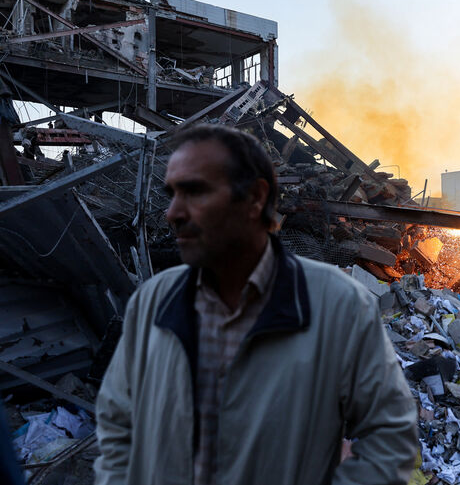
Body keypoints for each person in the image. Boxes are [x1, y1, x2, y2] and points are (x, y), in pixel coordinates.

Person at [94, 124, 417, 485]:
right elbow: (117, 425)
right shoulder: (154, 301)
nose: (173, 213)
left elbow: (390, 434)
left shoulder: (337, 302)